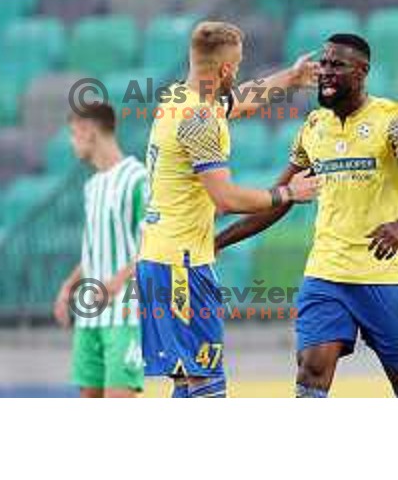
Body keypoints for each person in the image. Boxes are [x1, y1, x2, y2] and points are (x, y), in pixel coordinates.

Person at [216, 33, 398, 398]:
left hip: (382, 273)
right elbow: (279, 198)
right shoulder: (313, 127)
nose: (326, 73)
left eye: (337, 65)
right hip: (326, 272)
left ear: (362, 71)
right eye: (324, 64)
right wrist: (219, 240)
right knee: (311, 368)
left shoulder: (394, 119)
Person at [136, 21, 319, 398]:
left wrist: (290, 77)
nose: (237, 73)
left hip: (158, 258)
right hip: (182, 265)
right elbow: (226, 199)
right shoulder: (200, 119)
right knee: (208, 383)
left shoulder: (178, 100)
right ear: (224, 70)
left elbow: (239, 101)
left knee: (188, 381)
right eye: (235, 66)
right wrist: (287, 193)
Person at [54, 103, 147, 398]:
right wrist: (69, 285)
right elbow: (94, 250)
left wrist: (116, 283)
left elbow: (155, 243)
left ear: (89, 131)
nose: (72, 142)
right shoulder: (92, 186)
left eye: (73, 133)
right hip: (90, 317)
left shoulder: (138, 178)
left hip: (126, 315)